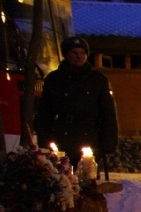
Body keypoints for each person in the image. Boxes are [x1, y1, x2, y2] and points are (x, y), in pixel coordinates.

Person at [34, 36, 119, 170]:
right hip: (62, 137)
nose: (79, 56)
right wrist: (44, 140)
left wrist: (108, 143)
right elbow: (45, 112)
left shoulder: (98, 80)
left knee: (87, 177)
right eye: (74, 53)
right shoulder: (54, 79)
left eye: (82, 53)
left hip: (89, 137)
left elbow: (108, 113)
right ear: (66, 55)